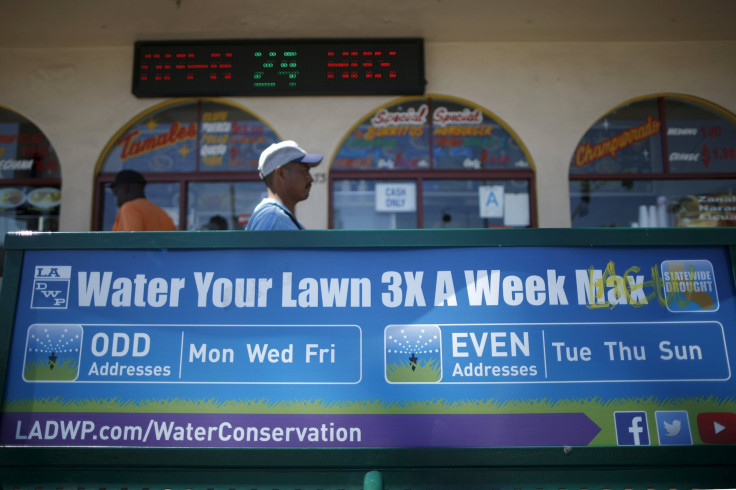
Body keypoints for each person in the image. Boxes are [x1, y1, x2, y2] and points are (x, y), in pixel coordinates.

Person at [246, 140, 323, 230]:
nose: (311, 179)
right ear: (281, 173)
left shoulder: (277, 216)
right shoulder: (272, 217)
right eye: (305, 171)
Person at [110, 169, 177, 231]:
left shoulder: (129, 208)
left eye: (115, 191)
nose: (116, 196)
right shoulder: (161, 213)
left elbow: (131, 241)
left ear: (125, 187)